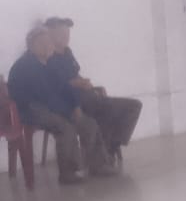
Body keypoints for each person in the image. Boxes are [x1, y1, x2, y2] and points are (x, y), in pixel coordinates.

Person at [7, 26, 113, 184]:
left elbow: (64, 87)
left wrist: (75, 107)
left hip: (50, 106)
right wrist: (68, 112)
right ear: (30, 45)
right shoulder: (26, 65)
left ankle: (98, 165)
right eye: (41, 42)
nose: (46, 45)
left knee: (88, 123)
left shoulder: (49, 63)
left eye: (48, 42)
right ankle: (67, 173)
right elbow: (43, 96)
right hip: (30, 109)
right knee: (65, 127)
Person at [45, 17, 143, 162]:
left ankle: (111, 146)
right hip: (71, 102)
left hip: (87, 96)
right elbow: (57, 84)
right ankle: (102, 153)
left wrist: (89, 85)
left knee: (134, 106)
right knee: (109, 110)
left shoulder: (67, 52)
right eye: (63, 34)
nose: (67, 38)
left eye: (68, 34)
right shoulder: (47, 56)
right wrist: (79, 83)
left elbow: (75, 73)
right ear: (51, 34)